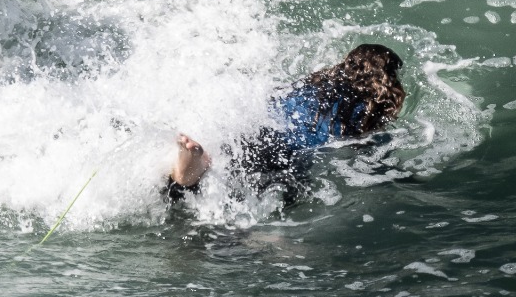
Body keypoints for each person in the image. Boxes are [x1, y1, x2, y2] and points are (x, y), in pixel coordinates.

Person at [166, 43, 407, 200]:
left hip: (255, 133)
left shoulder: (315, 82)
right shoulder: (363, 109)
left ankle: (193, 168)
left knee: (207, 179)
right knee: (287, 195)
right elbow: (374, 161)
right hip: (283, 157)